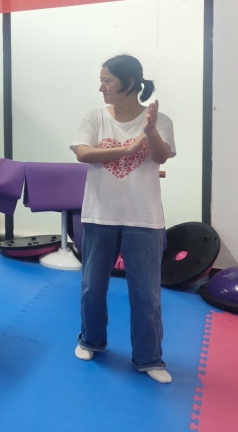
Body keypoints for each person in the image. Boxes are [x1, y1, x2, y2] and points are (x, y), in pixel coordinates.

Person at [70, 55, 176, 384]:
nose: (101, 87)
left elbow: (160, 155)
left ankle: (149, 357)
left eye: (107, 81)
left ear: (129, 83)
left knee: (146, 294)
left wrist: (150, 132)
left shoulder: (159, 119)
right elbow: (83, 153)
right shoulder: (95, 117)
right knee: (92, 287)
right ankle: (91, 340)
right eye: (101, 80)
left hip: (144, 218)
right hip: (99, 215)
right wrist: (127, 150)